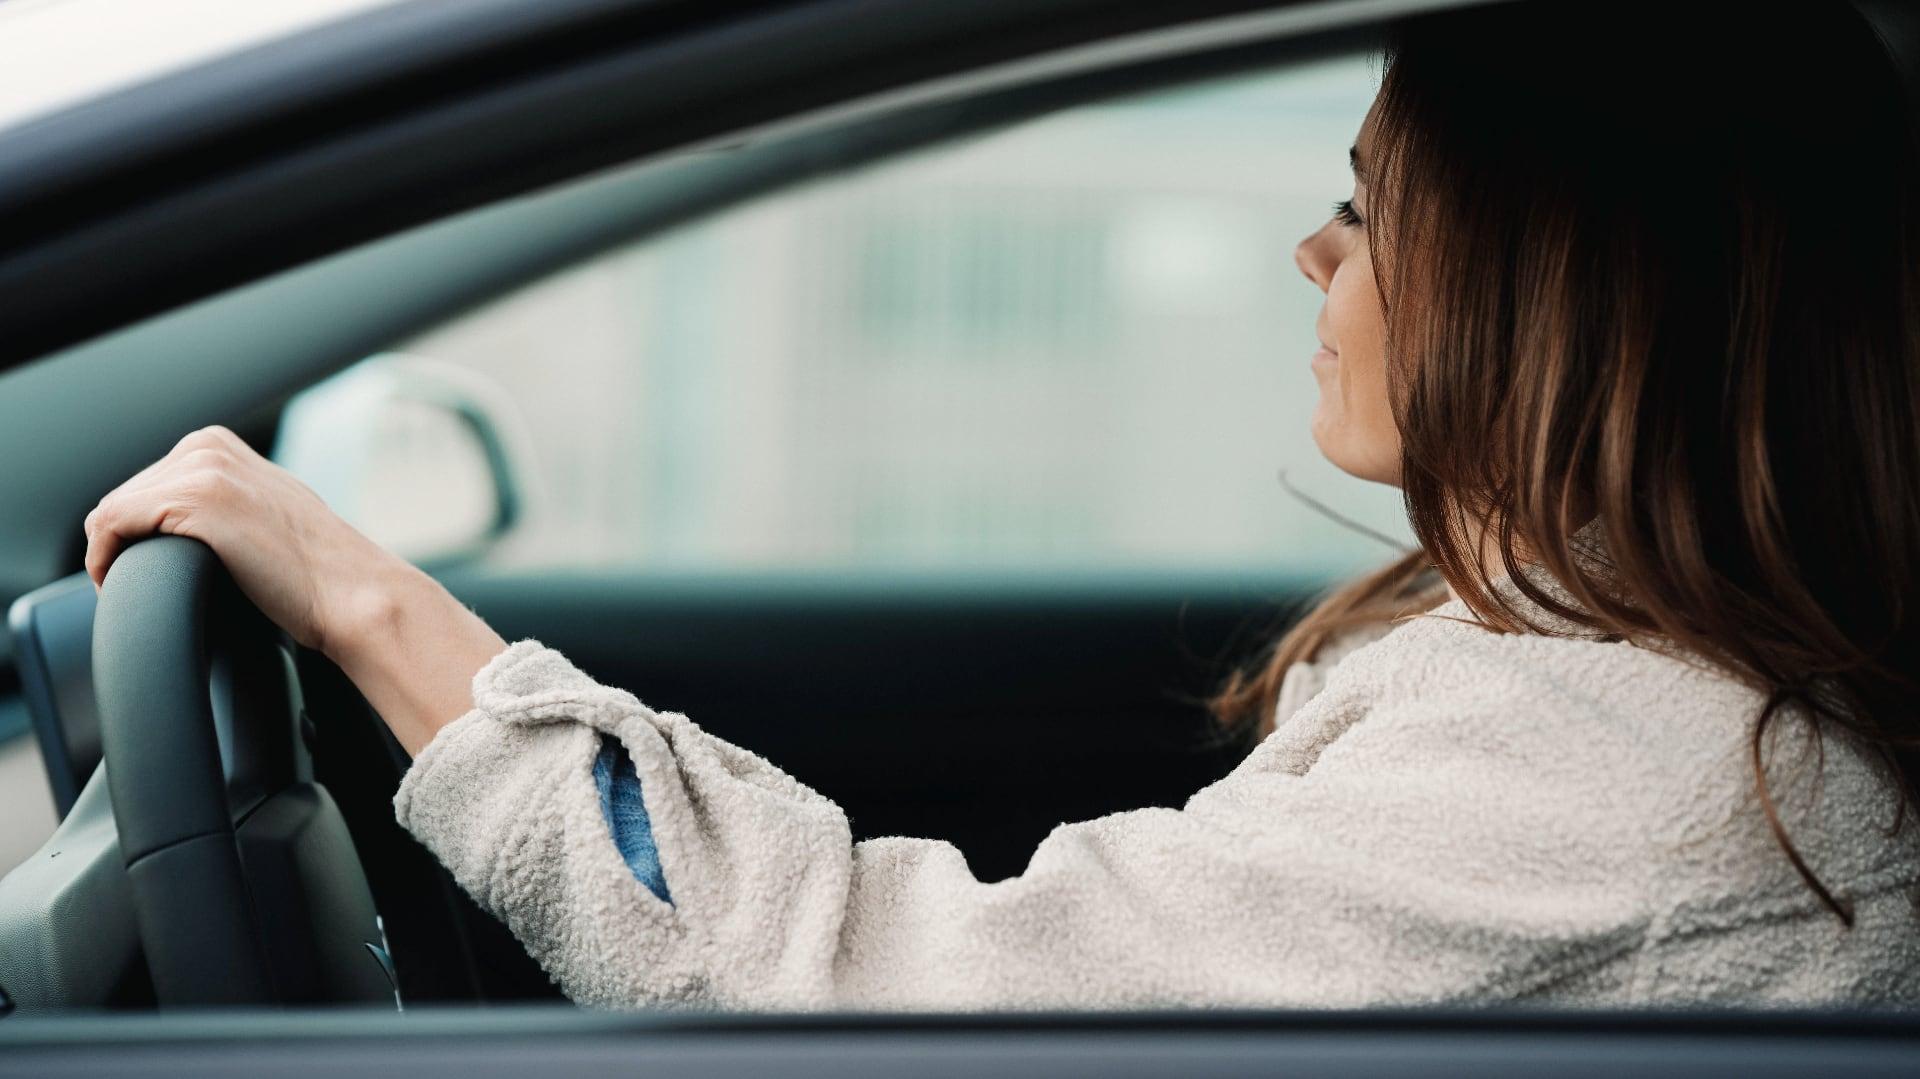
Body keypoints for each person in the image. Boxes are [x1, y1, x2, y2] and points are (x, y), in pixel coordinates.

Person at [80, 0, 1920, 1011]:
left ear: (1557, 281)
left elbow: (865, 1004)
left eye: (1370, 208)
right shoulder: (1634, 695)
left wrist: (372, 606)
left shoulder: (1632, 758)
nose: (1316, 252)